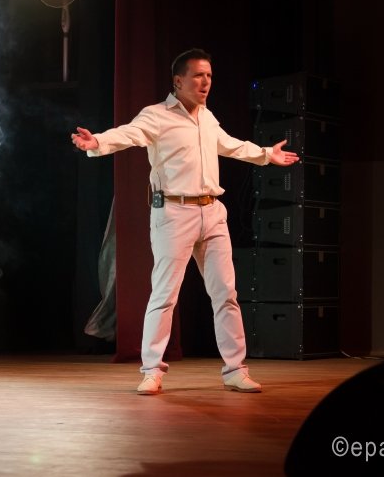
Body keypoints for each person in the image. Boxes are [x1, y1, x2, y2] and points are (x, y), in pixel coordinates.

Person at [71, 48, 299, 395]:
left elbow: (230, 145)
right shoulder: (157, 116)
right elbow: (129, 133)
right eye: (198, 76)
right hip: (174, 213)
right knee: (165, 295)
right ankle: (151, 370)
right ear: (178, 81)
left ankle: (235, 369)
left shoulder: (207, 118)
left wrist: (267, 154)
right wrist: (97, 141)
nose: (205, 82)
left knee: (226, 294)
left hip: (213, 213)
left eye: (209, 76)